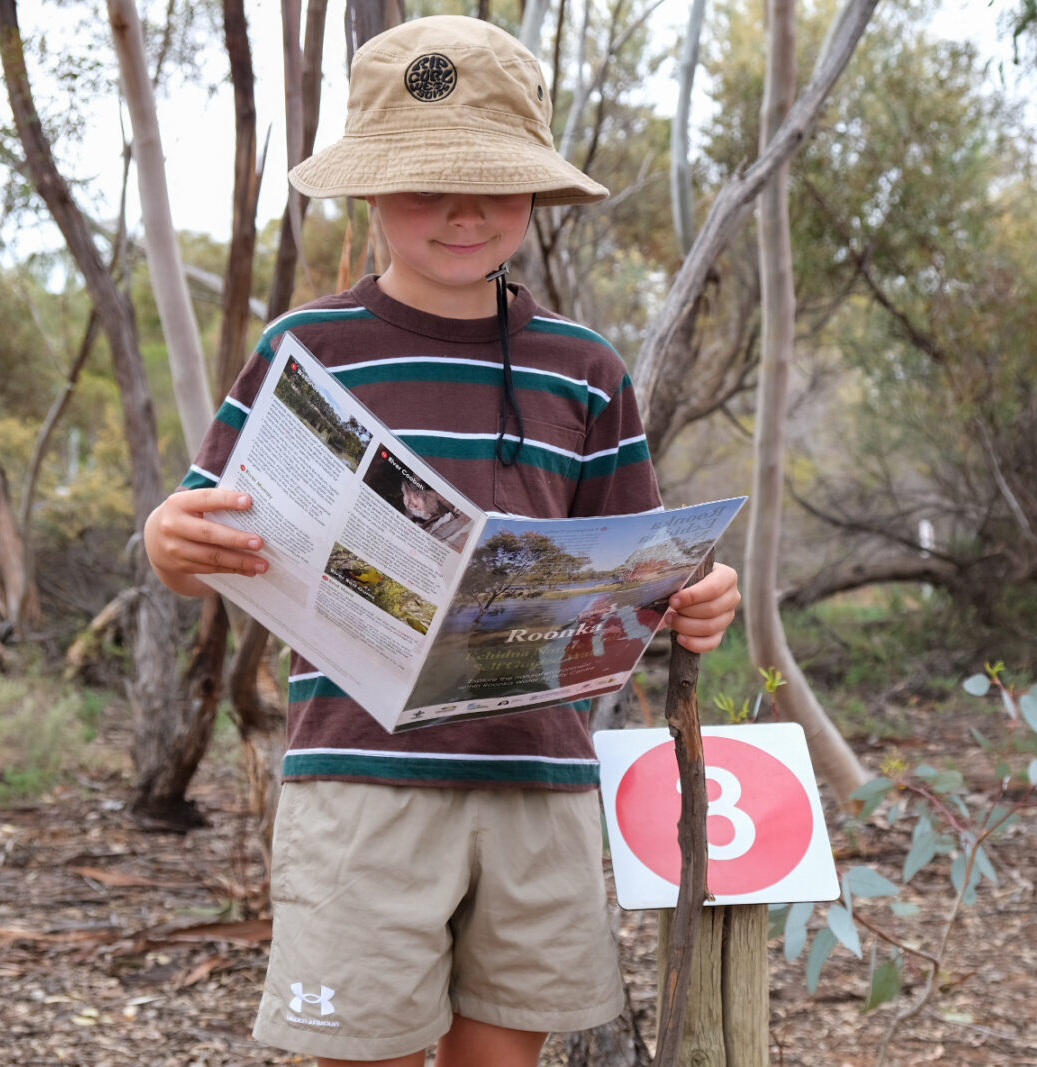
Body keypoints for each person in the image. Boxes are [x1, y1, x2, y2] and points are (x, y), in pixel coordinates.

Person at [142, 16, 740, 1067]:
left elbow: (634, 565)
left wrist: (692, 594)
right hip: (358, 772)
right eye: (427, 185)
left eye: (494, 184)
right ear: (370, 189)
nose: (464, 214)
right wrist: (168, 539)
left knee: (502, 1052)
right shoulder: (307, 349)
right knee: (360, 1049)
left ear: (533, 191)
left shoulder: (583, 368)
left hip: (537, 776)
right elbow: (206, 530)